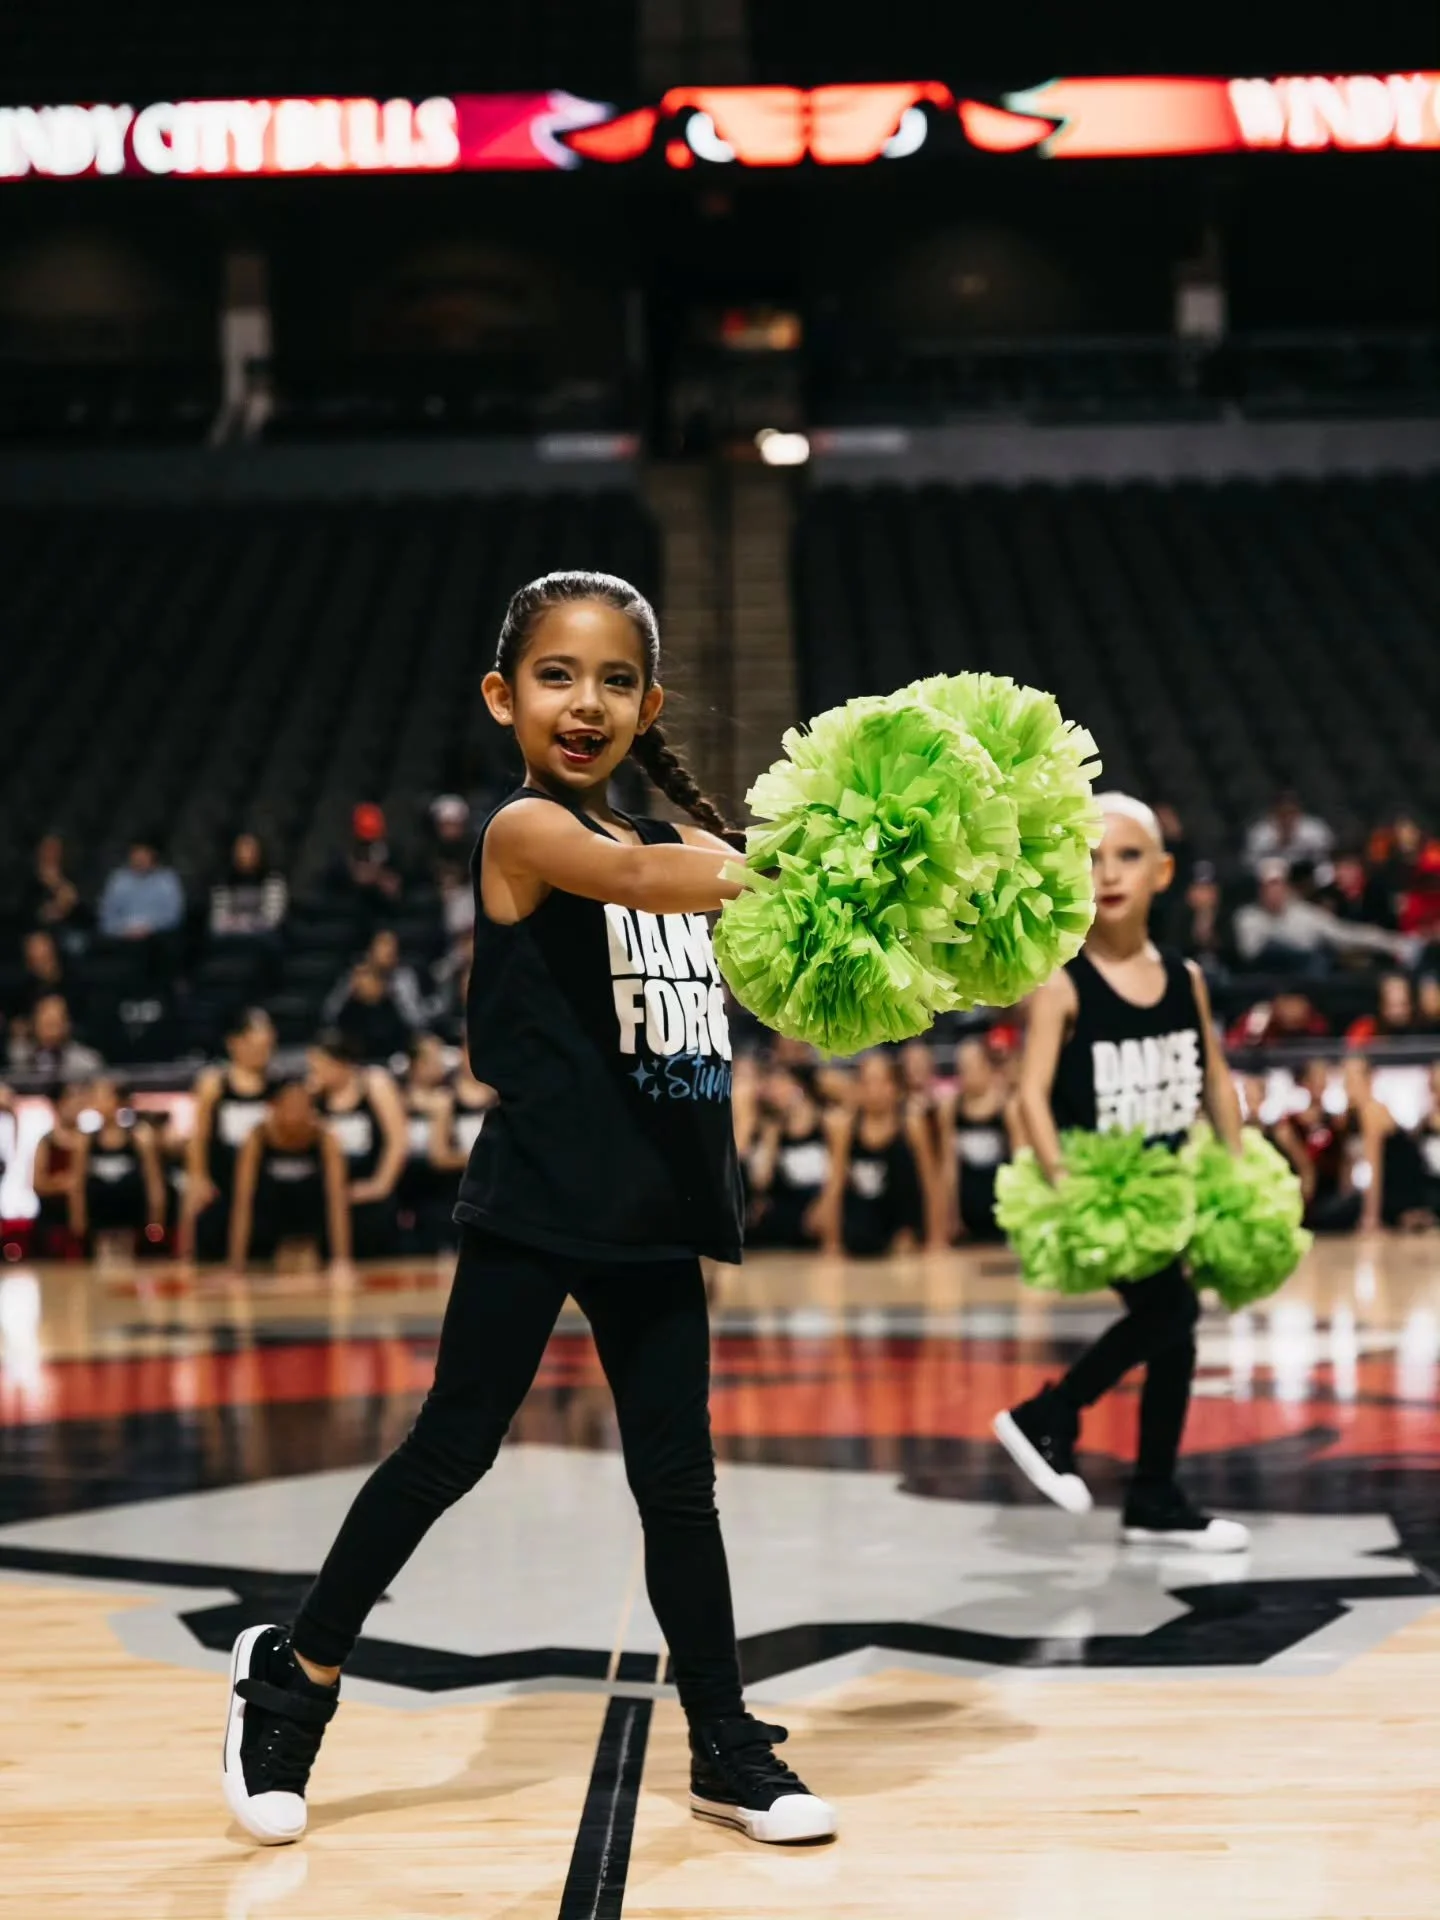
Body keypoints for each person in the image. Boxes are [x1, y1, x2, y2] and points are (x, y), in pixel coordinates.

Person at [220, 568, 834, 1849]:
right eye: (558, 675)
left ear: (648, 701)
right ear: (504, 696)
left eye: (617, 679)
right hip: (544, 1199)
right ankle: (298, 1674)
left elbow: (752, 960)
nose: (586, 701)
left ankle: (724, 1741)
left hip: (659, 1206)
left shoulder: (682, 852)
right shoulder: (527, 835)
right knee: (451, 1448)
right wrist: (816, 864)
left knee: (682, 1487)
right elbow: (658, 886)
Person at [992, 794, 1250, 1551]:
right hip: (1103, 1188)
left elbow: (1214, 1074)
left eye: (1128, 856)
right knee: (1169, 1313)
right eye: (1091, 857)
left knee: (1176, 1336)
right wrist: (1063, 1179)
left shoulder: (1185, 976)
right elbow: (1031, 1095)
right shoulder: (1063, 982)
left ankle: (1155, 1496)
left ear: (1163, 873)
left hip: (1169, 1180)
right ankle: (1046, 1416)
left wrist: (1236, 1167)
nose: (1107, 872)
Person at [184, 1009, 277, 1261]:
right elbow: (199, 1136)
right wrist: (198, 1176)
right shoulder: (214, 1083)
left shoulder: (278, 1085)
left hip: (265, 1187)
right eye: (256, 1045)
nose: (262, 1053)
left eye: (267, 1046)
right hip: (222, 1183)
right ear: (235, 1043)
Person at [228, 1079, 352, 1268]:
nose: (297, 1112)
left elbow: (337, 1202)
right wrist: (236, 1265)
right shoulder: (257, 1138)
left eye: (303, 1105)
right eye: (291, 1105)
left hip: (312, 1222)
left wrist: (342, 1261)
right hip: (269, 1222)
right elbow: (243, 1203)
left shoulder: (325, 1138)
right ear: (275, 1107)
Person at [818, 1050, 931, 1258]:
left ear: (896, 1088)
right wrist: (831, 1244)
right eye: (867, 1083)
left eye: (881, 1082)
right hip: (861, 1227)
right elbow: (834, 1185)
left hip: (902, 1227)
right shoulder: (846, 1128)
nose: (874, 1090)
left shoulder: (910, 1124)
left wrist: (936, 1241)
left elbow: (929, 1181)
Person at [307, 1030, 408, 1257]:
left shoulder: (374, 1083)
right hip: (331, 1200)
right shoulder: (313, 1096)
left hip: (372, 1193)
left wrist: (380, 1185)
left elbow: (398, 1141)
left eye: (319, 1066)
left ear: (340, 1063)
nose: (314, 1073)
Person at [1234, 859, 1413, 975]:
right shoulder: (1248, 918)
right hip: (1264, 990)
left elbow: (1345, 934)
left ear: (1287, 886)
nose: (1274, 891)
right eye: (1268, 885)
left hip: (1305, 989)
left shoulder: (1305, 915)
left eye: (1278, 884)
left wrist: (1391, 943)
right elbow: (1251, 952)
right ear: (1260, 890)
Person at [72, 1078, 165, 1255]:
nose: (97, 1101)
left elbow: (154, 1184)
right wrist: (78, 1221)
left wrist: (156, 1221)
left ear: (118, 1101)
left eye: (102, 1096)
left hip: (132, 1224)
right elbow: (77, 1185)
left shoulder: (140, 1137)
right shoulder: (86, 1141)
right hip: (98, 1225)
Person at [937, 1035, 1014, 1245]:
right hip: (969, 1211)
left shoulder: (1006, 1107)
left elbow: (1019, 1159)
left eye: (970, 1067)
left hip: (1002, 1209)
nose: (965, 1075)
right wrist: (950, 1216)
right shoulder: (951, 1109)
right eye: (961, 1068)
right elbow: (949, 1166)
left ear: (987, 1066)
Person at [746, 1064, 830, 1249]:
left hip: (823, 1201)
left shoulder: (827, 1123)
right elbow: (761, 1182)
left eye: (781, 1084)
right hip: (791, 1209)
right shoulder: (773, 1130)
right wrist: (770, 1141)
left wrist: (825, 1204)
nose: (775, 1092)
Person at [98, 837, 185, 948]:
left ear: (152, 857)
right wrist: (123, 930)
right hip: (122, 936)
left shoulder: (167, 880)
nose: (139, 859)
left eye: (144, 855)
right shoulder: (118, 880)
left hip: (156, 937)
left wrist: (148, 928)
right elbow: (106, 915)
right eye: (136, 855)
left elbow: (173, 916)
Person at [31, 1085, 86, 1257]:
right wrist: (65, 1184)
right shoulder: (47, 1142)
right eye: (71, 1101)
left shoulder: (89, 1141)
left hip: (83, 1224)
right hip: (52, 1225)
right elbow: (38, 1184)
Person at [208, 833, 288, 943]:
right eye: (242, 850)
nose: (246, 855)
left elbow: (272, 919)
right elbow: (217, 919)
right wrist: (237, 925)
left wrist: (247, 924)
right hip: (231, 937)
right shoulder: (225, 881)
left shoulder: (273, 879)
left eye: (251, 850)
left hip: (262, 937)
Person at [8, 994, 103, 1082]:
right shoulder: (17, 1057)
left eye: (55, 1024)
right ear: (34, 1023)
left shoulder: (86, 1062)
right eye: (47, 1024)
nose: (51, 1032)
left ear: (67, 1024)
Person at [1243, 789, 1334, 874]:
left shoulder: (1314, 829)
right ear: (1274, 813)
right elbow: (1250, 862)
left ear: (1299, 812)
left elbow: (1326, 856)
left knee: (1325, 871)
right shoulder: (1261, 833)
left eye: (1291, 812)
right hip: (1274, 873)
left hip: (1307, 872)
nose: (1287, 818)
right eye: (1283, 813)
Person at [23, 834, 87, 949]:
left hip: (69, 931)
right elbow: (28, 913)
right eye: (47, 849)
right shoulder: (30, 880)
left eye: (55, 849)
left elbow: (82, 910)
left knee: (77, 944)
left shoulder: (71, 876)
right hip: (38, 933)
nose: (51, 854)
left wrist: (58, 884)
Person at [1346, 972, 1419, 1048]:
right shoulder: (1365, 1028)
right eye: (1392, 1005)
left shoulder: (1423, 1026)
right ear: (1380, 1004)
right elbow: (1352, 1055)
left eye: (1403, 1004)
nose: (1398, 1012)